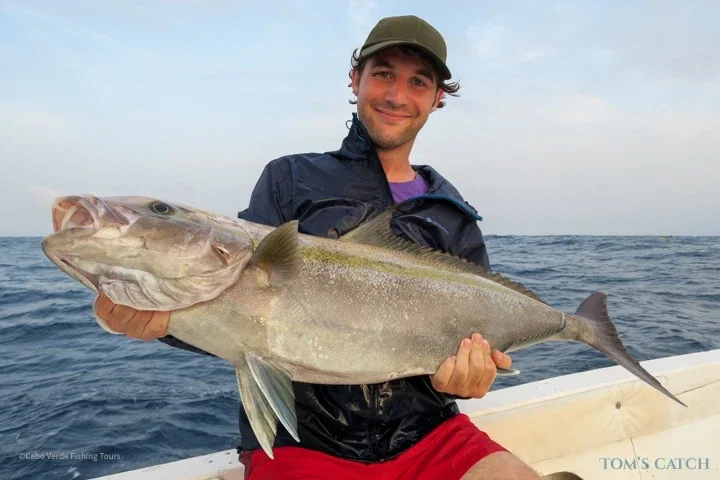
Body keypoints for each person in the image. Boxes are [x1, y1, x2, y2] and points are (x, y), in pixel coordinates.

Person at [94, 15, 542, 480]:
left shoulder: (453, 213)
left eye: (418, 82)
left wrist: (469, 380)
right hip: (303, 444)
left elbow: (476, 344)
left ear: (437, 98)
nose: (396, 95)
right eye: (383, 73)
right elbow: (237, 310)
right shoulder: (289, 179)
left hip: (432, 434)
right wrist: (162, 322)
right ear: (355, 79)